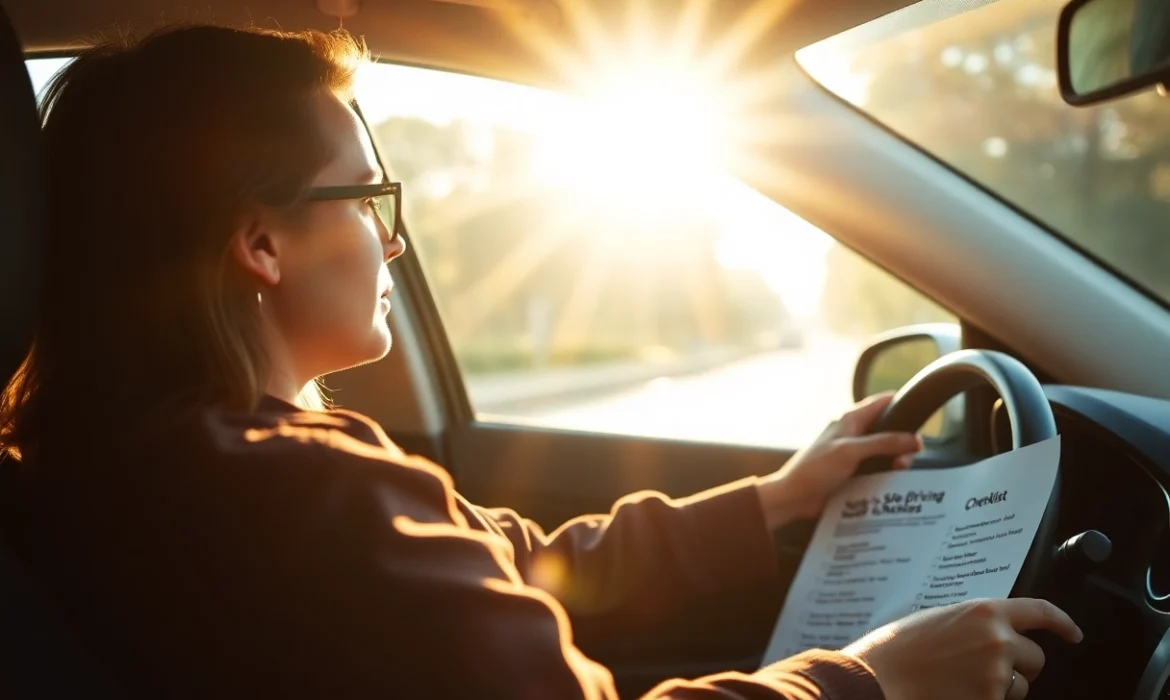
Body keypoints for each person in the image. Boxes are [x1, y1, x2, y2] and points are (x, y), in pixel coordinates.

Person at [0, 24, 1081, 700]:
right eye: (371, 199)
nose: (393, 240)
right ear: (262, 243)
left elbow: (513, 563)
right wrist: (873, 679)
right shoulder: (304, 490)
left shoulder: (105, 470)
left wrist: (773, 500)